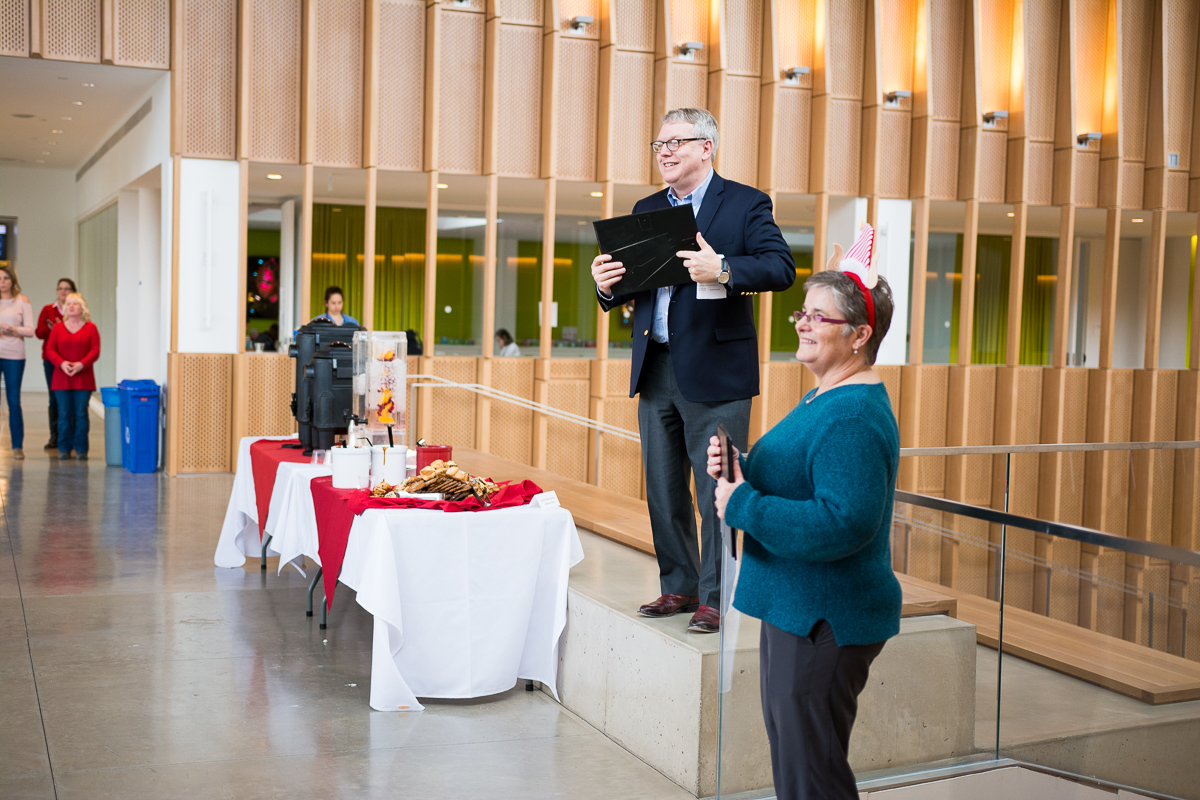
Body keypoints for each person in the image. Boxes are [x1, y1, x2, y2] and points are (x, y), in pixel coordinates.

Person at [708, 225, 901, 800]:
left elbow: (843, 522)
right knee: (801, 766)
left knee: (810, 777)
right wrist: (742, 469)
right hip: (798, 606)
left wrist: (742, 503)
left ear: (861, 334)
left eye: (820, 317)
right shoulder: (826, 395)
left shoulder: (853, 416)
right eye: (803, 313)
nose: (803, 323)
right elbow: (802, 479)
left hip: (824, 618)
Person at [590, 107, 795, 633]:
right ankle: (677, 587)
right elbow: (635, 286)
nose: (665, 152)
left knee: (716, 492)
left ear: (707, 147)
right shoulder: (648, 207)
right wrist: (607, 285)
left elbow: (780, 268)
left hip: (717, 375)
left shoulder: (746, 203)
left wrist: (724, 269)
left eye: (676, 142)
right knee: (663, 490)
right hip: (655, 367)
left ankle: (714, 597)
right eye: (659, 144)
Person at [46, 292, 100, 460]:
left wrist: (81, 364)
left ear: (82, 308)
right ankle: (63, 448)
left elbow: (95, 350)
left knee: (81, 414)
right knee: (64, 414)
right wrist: (61, 363)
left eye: (75, 303)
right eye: (68, 303)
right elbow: (50, 350)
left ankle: (81, 449)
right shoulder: (57, 328)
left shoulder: (91, 328)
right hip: (62, 378)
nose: (71, 306)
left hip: (83, 378)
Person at [36, 278, 76, 451]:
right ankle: (55, 436)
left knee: (72, 399)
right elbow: (39, 332)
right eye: (60, 288)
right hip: (51, 360)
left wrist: (63, 327)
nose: (63, 291)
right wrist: (53, 329)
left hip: (73, 360)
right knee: (54, 399)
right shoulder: (48, 310)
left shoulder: (77, 309)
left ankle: (71, 437)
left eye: (67, 288)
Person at [0, 266, 34, 460]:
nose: (2, 282)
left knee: (13, 402)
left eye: (6, 278)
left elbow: (30, 331)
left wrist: (12, 329)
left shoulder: (22, 301)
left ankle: (17, 446)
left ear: (12, 280)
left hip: (14, 356)